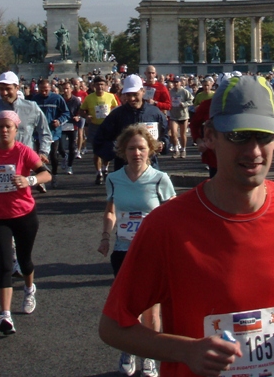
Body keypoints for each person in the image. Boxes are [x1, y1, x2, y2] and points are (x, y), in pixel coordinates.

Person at [99, 75, 274, 377]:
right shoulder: (166, 224)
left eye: (264, 136)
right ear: (210, 136)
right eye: (239, 135)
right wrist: (185, 350)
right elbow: (112, 326)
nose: (253, 151)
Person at [98, 124, 176, 377]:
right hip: (123, 249)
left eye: (142, 148)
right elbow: (110, 211)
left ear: (150, 150)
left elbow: (173, 214)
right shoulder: (114, 178)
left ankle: (150, 357)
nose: (137, 153)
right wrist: (105, 237)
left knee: (152, 308)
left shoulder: (159, 179)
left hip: (152, 251)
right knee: (127, 304)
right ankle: (128, 349)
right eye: (131, 148)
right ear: (123, 150)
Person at [0, 111, 52, 335]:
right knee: (4, 266)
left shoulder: (23, 152)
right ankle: (6, 316)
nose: (3, 131)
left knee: (24, 260)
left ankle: (30, 288)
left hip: (23, 214)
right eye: (0, 127)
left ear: (15, 130)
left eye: (8, 127)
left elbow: (46, 174)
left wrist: (28, 180)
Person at [0, 71, 51, 167]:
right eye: (1, 89)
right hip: (1, 165)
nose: (4, 93)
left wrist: (43, 152)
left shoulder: (32, 108)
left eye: (8, 89)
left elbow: (45, 133)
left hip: (27, 163)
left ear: (17, 88)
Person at [94, 75, 168, 177]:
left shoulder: (155, 113)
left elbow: (165, 135)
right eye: (128, 95)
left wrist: (163, 144)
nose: (132, 98)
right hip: (124, 170)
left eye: (135, 94)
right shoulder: (117, 115)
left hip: (150, 169)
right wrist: (117, 149)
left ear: (143, 91)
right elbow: (99, 140)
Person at [28, 79, 70, 188]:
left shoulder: (57, 98)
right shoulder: (35, 100)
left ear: (50, 88)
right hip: (38, 133)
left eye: (46, 90)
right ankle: (41, 179)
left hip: (53, 132)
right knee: (38, 157)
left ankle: (54, 175)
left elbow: (66, 113)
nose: (44, 92)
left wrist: (59, 121)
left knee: (53, 156)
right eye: (41, 90)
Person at [81, 75, 121, 184]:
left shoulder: (111, 97)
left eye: (102, 84)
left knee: (107, 149)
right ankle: (98, 172)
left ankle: (105, 168)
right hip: (95, 126)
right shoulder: (89, 97)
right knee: (96, 151)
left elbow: (117, 109)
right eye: (98, 84)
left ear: (106, 86)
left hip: (108, 127)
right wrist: (86, 116)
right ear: (94, 86)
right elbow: (81, 110)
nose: (100, 87)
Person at [58, 81, 82, 175]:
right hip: (62, 124)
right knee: (59, 146)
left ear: (71, 89)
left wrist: (78, 116)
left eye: (67, 88)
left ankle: (70, 166)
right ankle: (64, 156)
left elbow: (81, 110)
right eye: (64, 89)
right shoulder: (60, 99)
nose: (66, 90)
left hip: (72, 125)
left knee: (72, 147)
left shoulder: (76, 100)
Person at [167, 77, 193, 158]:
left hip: (183, 115)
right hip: (173, 115)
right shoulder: (170, 92)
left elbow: (191, 100)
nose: (176, 84)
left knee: (183, 134)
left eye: (177, 82)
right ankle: (176, 150)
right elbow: (167, 101)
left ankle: (183, 150)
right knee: (174, 134)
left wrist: (184, 104)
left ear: (180, 83)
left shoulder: (184, 91)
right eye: (174, 82)